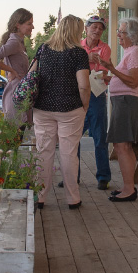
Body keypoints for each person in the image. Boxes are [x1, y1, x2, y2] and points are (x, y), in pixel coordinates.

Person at [32, 15, 91, 209]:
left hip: (42, 108)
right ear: (75, 31)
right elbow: (83, 85)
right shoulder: (78, 53)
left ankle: (40, 197)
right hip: (70, 109)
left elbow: (31, 76)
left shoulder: (43, 49)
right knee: (68, 154)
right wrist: (85, 106)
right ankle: (73, 198)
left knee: (44, 152)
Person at [97, 17, 138, 202]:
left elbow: (134, 81)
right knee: (123, 146)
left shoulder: (134, 52)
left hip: (127, 103)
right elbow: (128, 78)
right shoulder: (130, 52)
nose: (118, 34)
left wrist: (111, 68)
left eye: (121, 32)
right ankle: (128, 187)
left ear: (132, 35)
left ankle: (129, 189)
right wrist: (112, 78)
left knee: (122, 146)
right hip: (125, 102)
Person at [74, 15, 112, 190]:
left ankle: (103, 176)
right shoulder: (76, 45)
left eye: (101, 28)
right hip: (77, 94)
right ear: (86, 28)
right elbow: (75, 68)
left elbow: (101, 72)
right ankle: (73, 175)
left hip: (96, 95)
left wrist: (86, 63)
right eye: (94, 27)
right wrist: (90, 61)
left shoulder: (105, 48)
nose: (97, 30)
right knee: (73, 137)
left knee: (99, 137)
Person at [0, 8, 34, 125]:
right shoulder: (14, 43)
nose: (32, 27)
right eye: (29, 23)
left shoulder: (19, 42)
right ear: (18, 25)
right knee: (13, 137)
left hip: (20, 93)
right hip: (15, 94)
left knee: (16, 137)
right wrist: (11, 71)